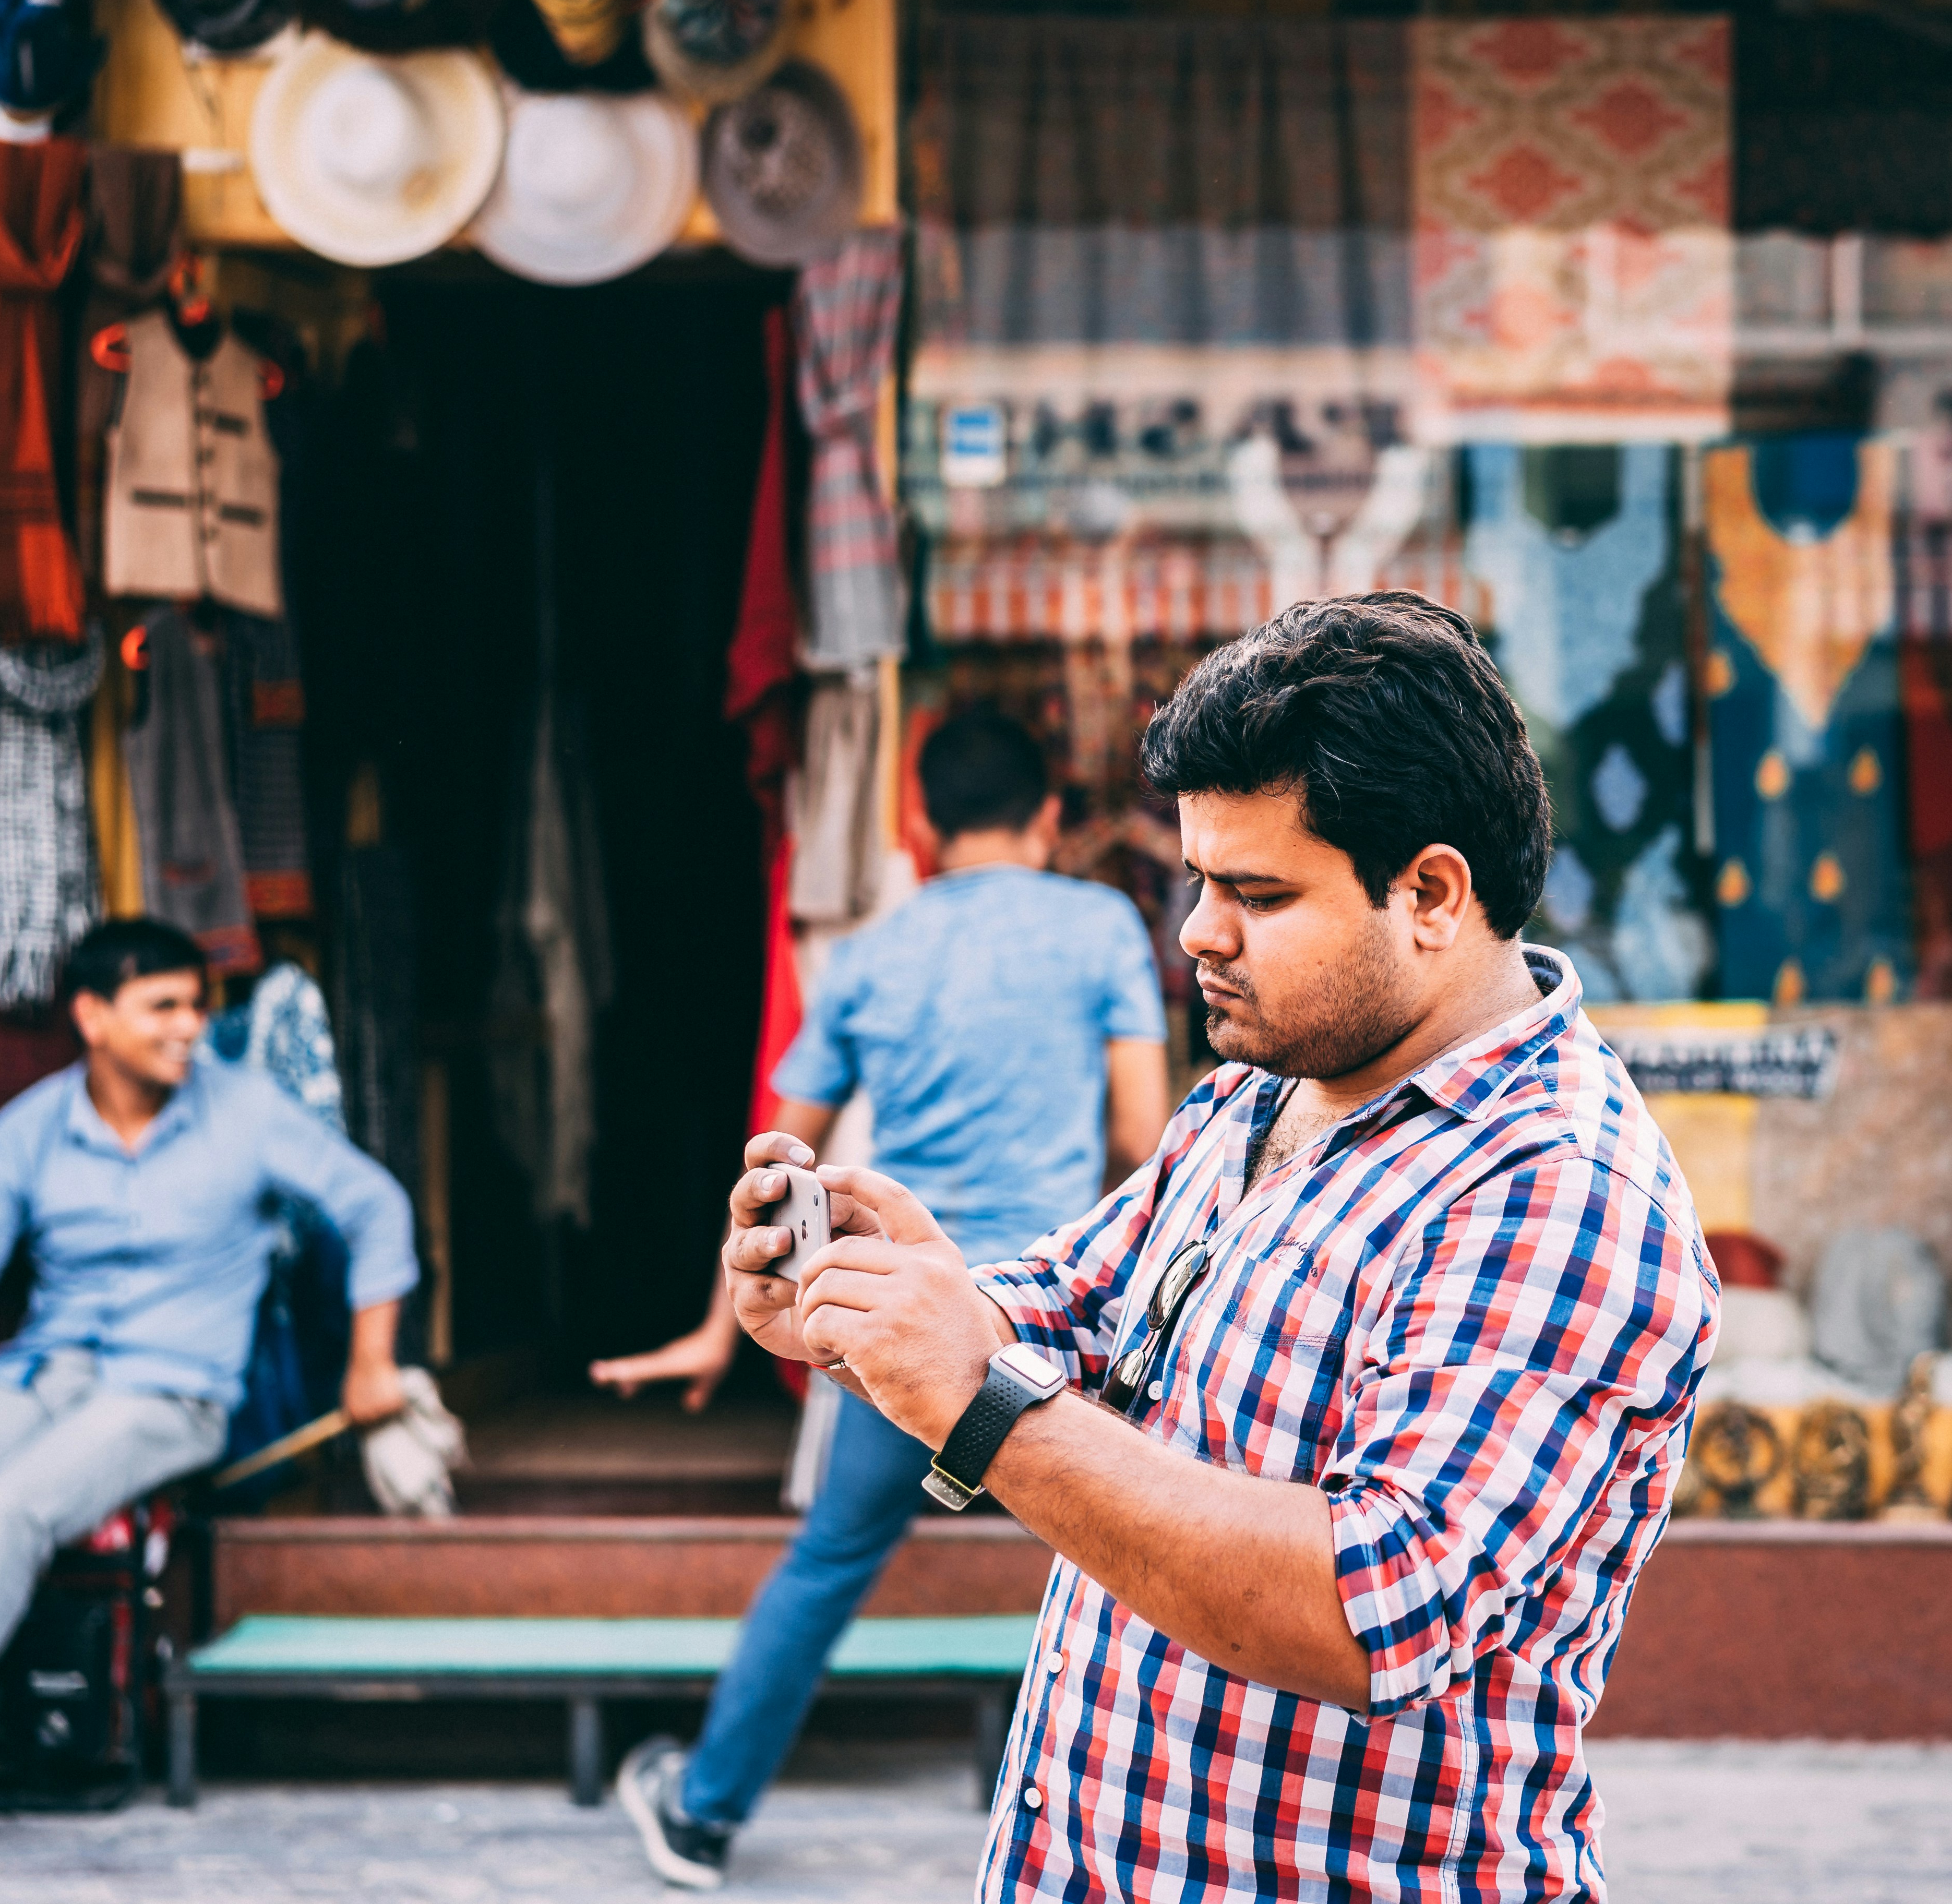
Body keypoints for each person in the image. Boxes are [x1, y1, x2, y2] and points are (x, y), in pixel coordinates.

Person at [718, 595, 1717, 1903]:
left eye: (1254, 891)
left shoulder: (1557, 1193)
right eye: (1200, 878)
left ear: (1428, 893)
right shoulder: (1263, 1089)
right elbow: (1077, 1308)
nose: (1196, 929)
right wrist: (887, 1292)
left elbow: (1371, 1605)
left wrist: (976, 1403)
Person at [609, 708, 1170, 1889]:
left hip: (901, 1309)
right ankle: (1148, 1833)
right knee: (1133, 1552)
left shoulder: (874, 951)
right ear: (1050, 814)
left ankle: (703, 1813)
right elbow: (1137, 1131)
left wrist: (724, 1327)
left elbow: (776, 1164)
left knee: (829, 1557)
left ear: (919, 821)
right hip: (1058, 1308)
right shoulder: (1098, 923)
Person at [0, 917, 418, 1859]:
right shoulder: (30, 1130)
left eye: (196, 1006)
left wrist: (372, 1361)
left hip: (173, 1391)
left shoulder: (242, 1111)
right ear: (92, 1016)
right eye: (162, 1006)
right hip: (46, 1371)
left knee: (10, 1508)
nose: (189, 1027)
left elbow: (377, 1206)